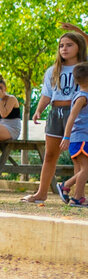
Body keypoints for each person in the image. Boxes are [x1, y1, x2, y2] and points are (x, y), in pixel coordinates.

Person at [21, 31, 88, 203]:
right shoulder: (53, 70)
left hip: (76, 115)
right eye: (61, 45)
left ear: (79, 46)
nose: (64, 49)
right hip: (55, 114)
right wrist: (38, 110)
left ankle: (77, 195)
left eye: (69, 45)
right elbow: (47, 94)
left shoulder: (84, 68)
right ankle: (41, 193)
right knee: (50, 155)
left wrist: (78, 31)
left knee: (79, 159)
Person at [57, 63, 88, 205]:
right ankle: (75, 197)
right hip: (80, 137)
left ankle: (78, 195)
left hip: (81, 137)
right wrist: (66, 136)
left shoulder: (82, 96)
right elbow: (71, 117)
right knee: (85, 169)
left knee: (82, 169)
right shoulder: (82, 97)